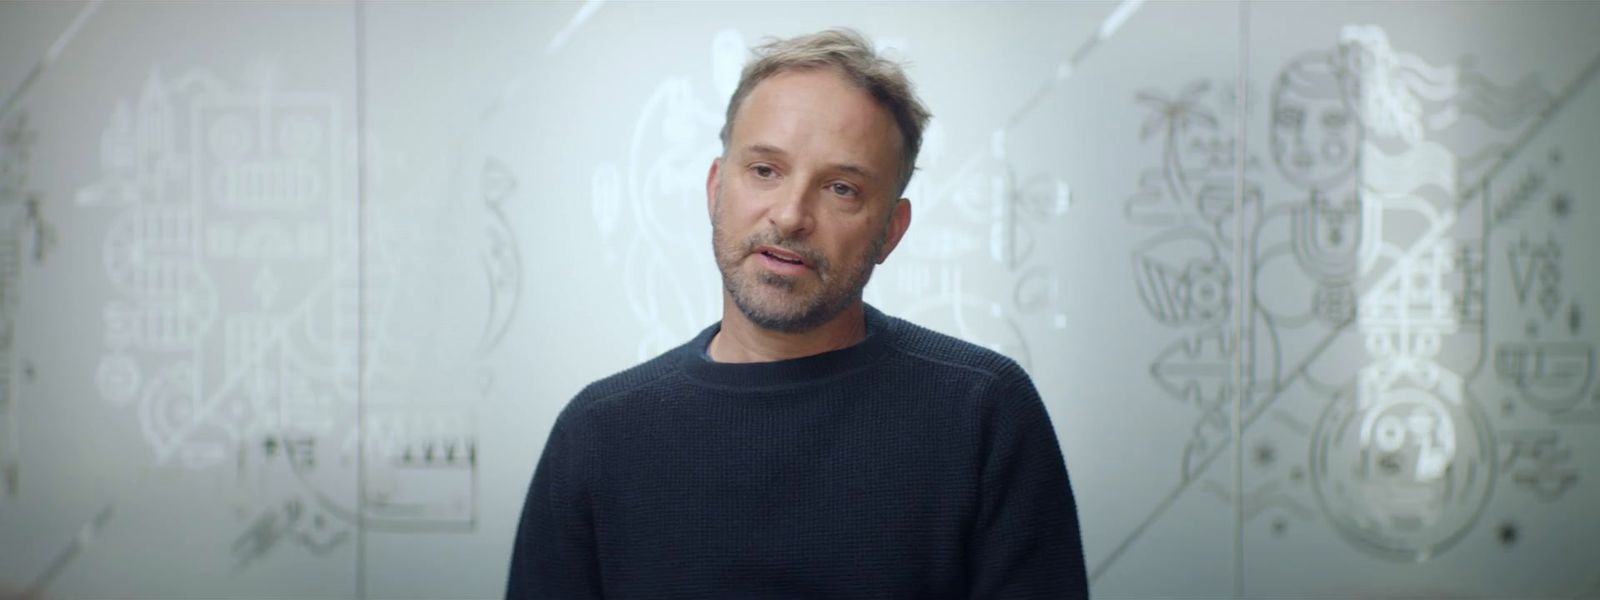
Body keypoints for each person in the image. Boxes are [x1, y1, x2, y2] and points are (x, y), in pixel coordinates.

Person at [507, 28, 1087, 599]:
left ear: (892, 231)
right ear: (715, 189)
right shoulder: (598, 433)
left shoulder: (983, 413)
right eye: (765, 170)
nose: (789, 216)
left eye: (840, 188)